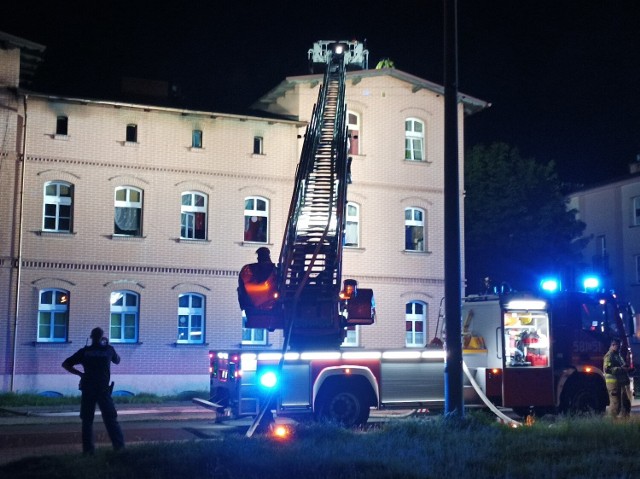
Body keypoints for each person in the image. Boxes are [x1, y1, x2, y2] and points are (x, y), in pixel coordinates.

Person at [62, 327, 125, 454]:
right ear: (102, 337)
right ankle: (119, 449)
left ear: (91, 337)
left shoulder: (85, 352)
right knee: (111, 419)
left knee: (87, 421)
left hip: (88, 388)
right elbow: (117, 360)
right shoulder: (108, 350)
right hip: (103, 389)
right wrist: (108, 345)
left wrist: (80, 374)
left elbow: (66, 364)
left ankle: (88, 452)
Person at [603, 338, 632, 418]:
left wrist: (628, 369)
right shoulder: (609, 355)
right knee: (616, 404)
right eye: (618, 346)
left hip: (621, 382)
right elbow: (607, 369)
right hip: (613, 383)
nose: (619, 347)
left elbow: (622, 366)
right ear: (613, 345)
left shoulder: (617, 355)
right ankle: (611, 423)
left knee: (625, 402)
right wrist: (621, 369)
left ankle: (624, 420)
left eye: (620, 346)